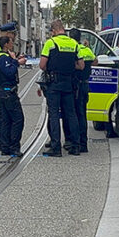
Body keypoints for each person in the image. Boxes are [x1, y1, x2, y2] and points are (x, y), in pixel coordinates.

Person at [39, 19, 83, 157]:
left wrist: (52, 69)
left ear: (53, 31)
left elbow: (42, 65)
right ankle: (75, 146)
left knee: (53, 114)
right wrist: (70, 68)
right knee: (71, 114)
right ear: (63, 29)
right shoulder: (74, 44)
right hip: (68, 83)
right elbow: (81, 65)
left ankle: (56, 147)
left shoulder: (50, 43)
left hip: (54, 84)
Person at [0, 36, 26, 156]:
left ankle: (5, 146)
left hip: (4, 92)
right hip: (7, 92)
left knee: (6, 120)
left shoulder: (5, 57)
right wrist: (17, 62)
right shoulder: (2, 58)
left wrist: (14, 59)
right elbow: (9, 72)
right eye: (11, 42)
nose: (13, 44)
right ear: (6, 44)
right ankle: (13, 147)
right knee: (18, 119)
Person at [68, 28, 95, 153]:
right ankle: (84, 143)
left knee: (73, 115)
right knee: (83, 115)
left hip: (76, 86)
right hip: (85, 86)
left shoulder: (75, 49)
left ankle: (75, 143)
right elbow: (96, 61)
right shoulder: (87, 50)